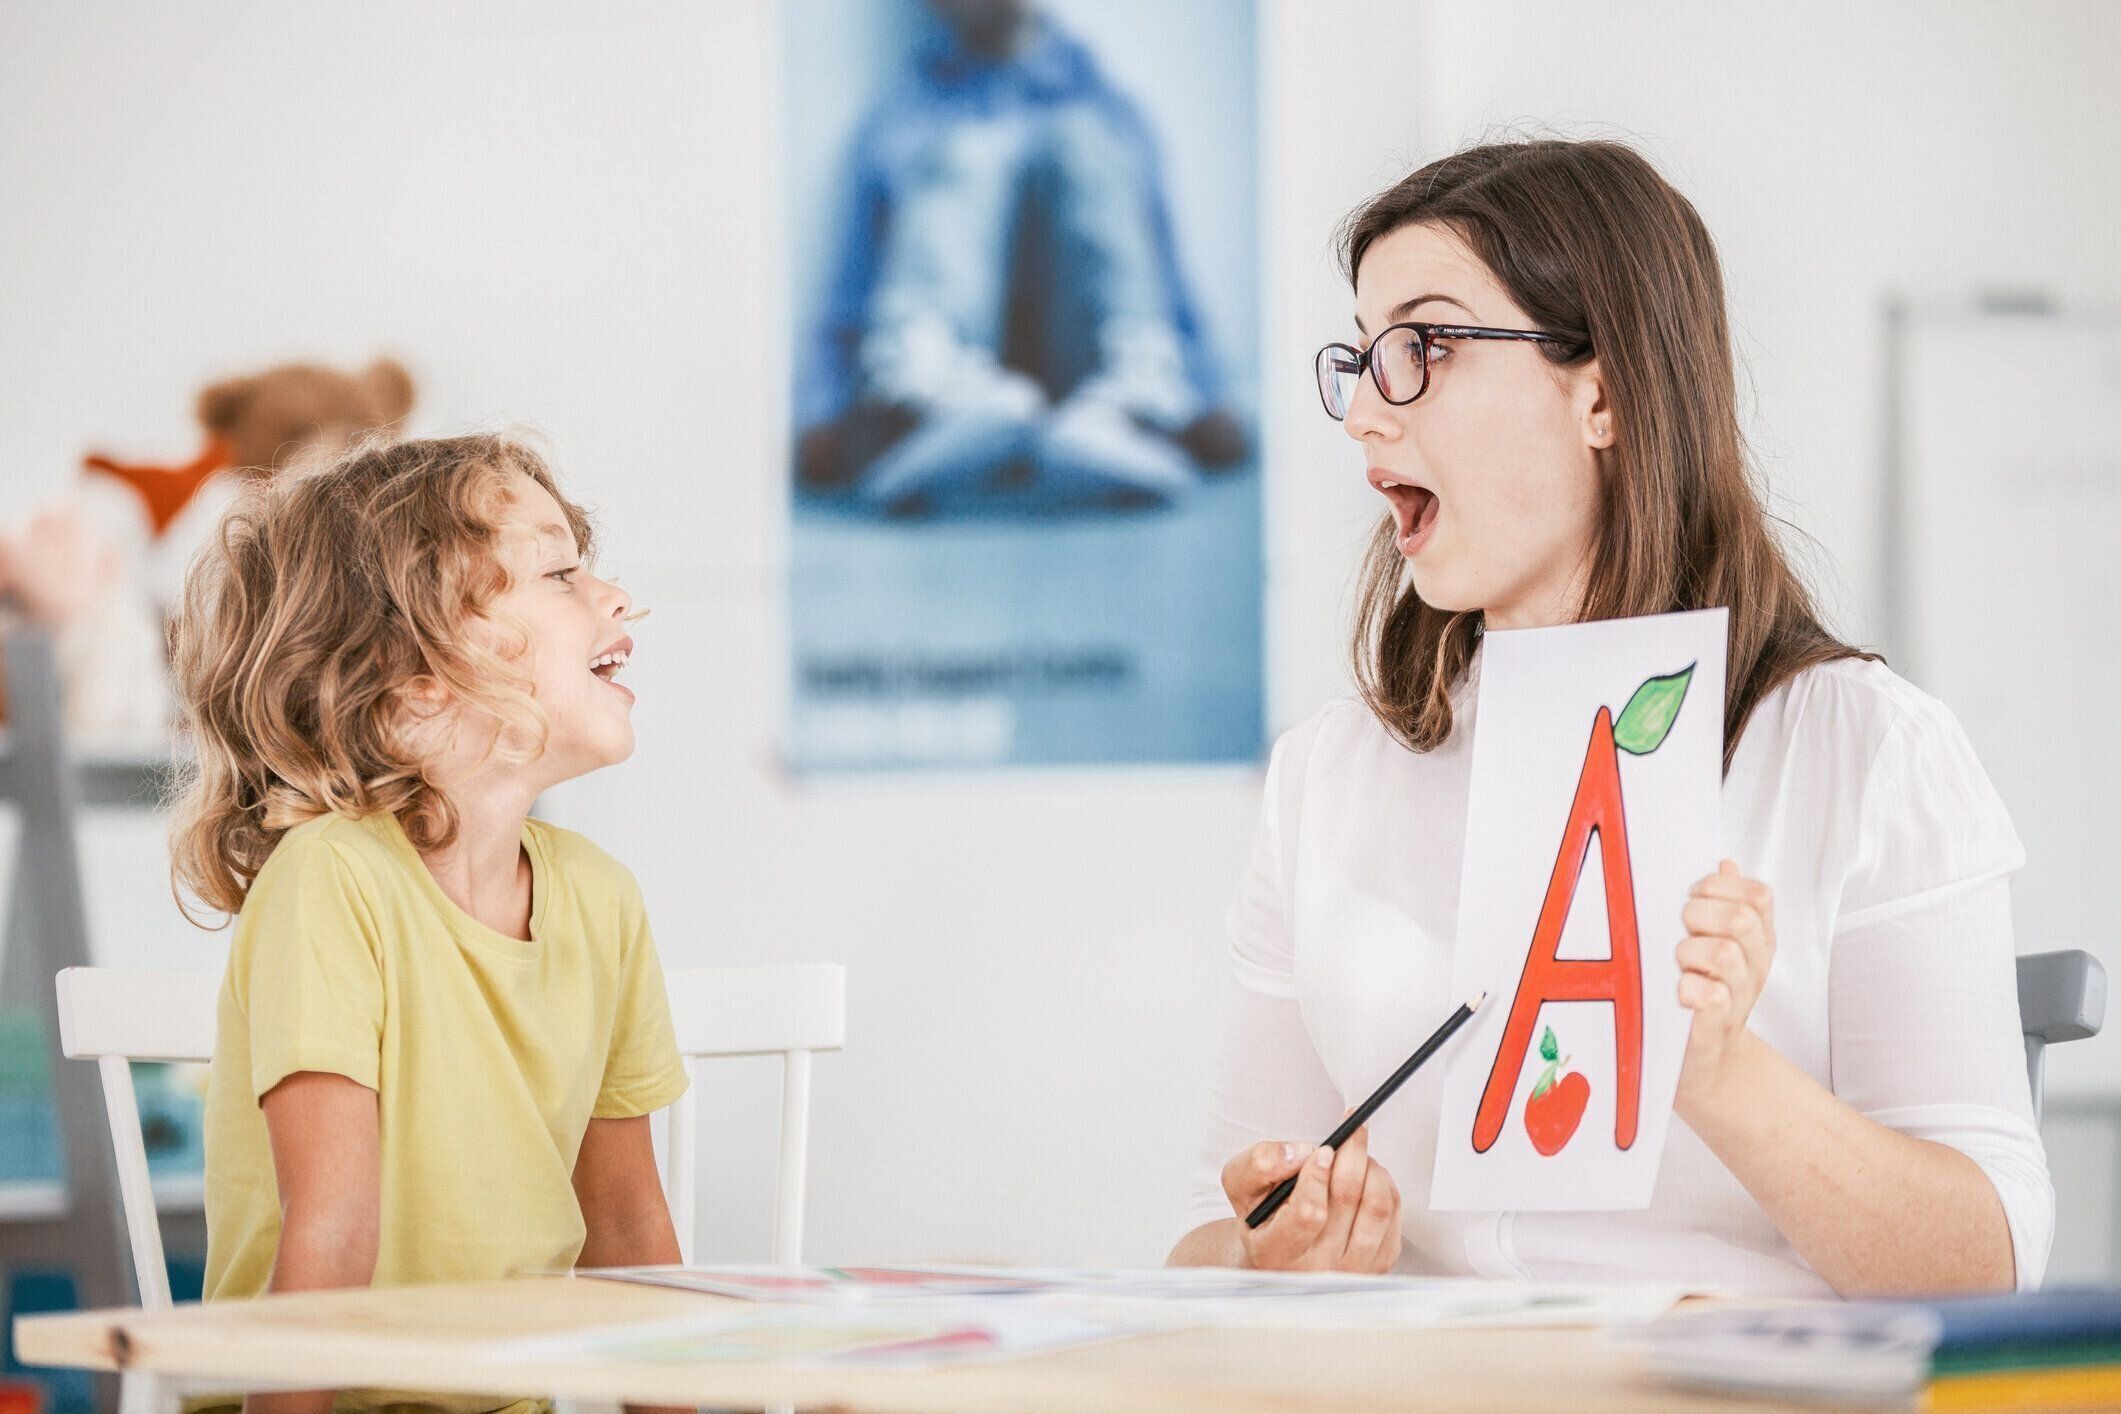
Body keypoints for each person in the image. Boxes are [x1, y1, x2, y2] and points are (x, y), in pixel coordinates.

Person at [1169, 139, 2050, 1298]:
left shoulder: (1866, 753)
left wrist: (1726, 1077)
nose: (1365, 419)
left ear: (1606, 394)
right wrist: (1270, 1245)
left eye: (1425, 348)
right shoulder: (1329, 778)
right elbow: (1202, 1241)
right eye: (1364, 358)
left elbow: (1987, 1267)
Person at [169, 435, 690, 1413]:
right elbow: (329, 1231)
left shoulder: (602, 898)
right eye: (561, 572)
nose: (617, 597)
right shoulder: (332, 882)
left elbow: (626, 1231)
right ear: (415, 679)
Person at [795, 0, 1246, 516]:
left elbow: (1163, 271)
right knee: (962, 154)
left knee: (1083, 145)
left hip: (1081, 376)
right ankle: (921, 414)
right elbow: (855, 283)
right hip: (954, 383)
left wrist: (1211, 394)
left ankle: (1130, 411)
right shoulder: (900, 119)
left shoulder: (1110, 111)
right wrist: (822, 409)